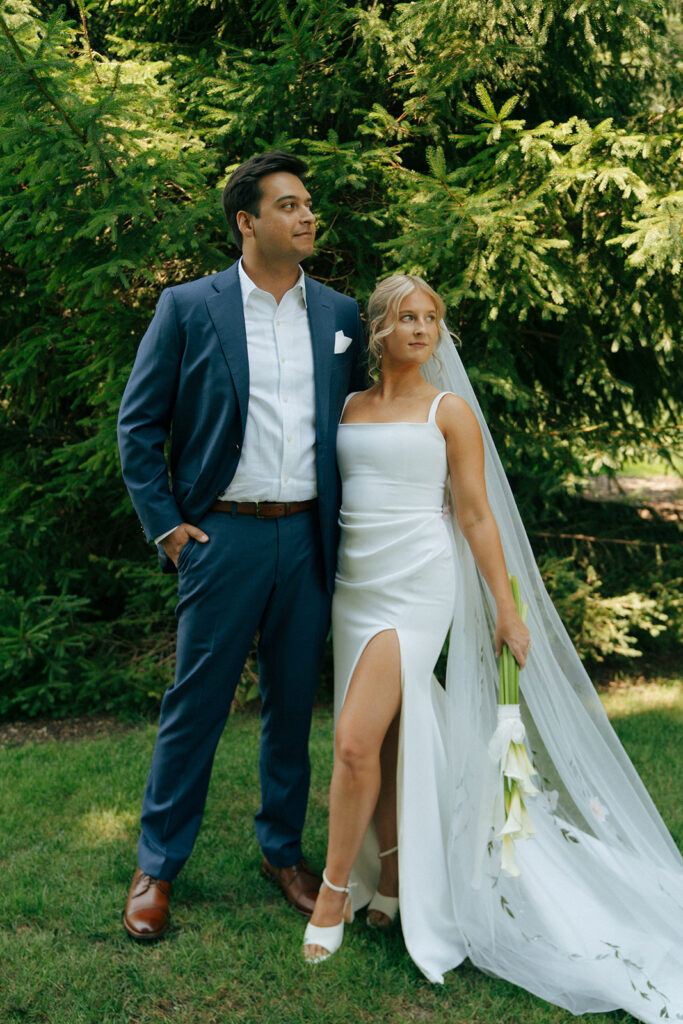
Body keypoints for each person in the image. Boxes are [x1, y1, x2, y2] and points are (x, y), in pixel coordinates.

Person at [302, 274, 683, 1024]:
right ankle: (399, 881)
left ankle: (334, 891)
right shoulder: (347, 407)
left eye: (431, 319)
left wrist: (506, 610)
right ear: (378, 329)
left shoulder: (450, 413)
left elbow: (476, 517)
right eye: (406, 318)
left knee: (350, 745)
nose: (421, 330)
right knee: (385, 740)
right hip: (355, 585)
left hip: (416, 586)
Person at [117, 150, 367, 940]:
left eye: (308, 205)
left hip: (307, 537)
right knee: (195, 705)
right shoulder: (189, 306)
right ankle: (157, 865)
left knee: (292, 705)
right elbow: (138, 423)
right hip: (221, 536)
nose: (306, 216)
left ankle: (281, 853)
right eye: (288, 205)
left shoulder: (339, 315)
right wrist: (168, 526)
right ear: (246, 221)